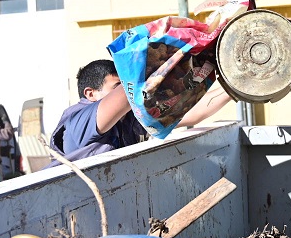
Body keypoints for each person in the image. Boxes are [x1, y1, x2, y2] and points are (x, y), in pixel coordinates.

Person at [49, 59, 232, 164]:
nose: (128, 90)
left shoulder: (130, 118)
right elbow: (129, 93)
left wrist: (233, 87)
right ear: (91, 94)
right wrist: (163, 62)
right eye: (117, 85)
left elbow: (190, 111)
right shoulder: (78, 119)